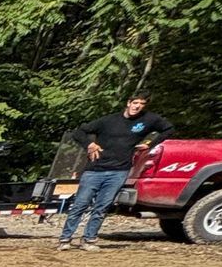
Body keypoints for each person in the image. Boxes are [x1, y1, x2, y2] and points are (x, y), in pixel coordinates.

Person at [57, 95, 174, 250]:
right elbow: (79, 132)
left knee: (102, 207)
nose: (137, 106)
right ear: (128, 103)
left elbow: (169, 129)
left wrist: (150, 144)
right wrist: (89, 144)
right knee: (80, 205)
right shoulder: (108, 121)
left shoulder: (148, 120)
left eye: (141, 104)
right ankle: (65, 239)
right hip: (95, 170)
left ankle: (89, 239)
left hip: (119, 171)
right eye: (135, 103)